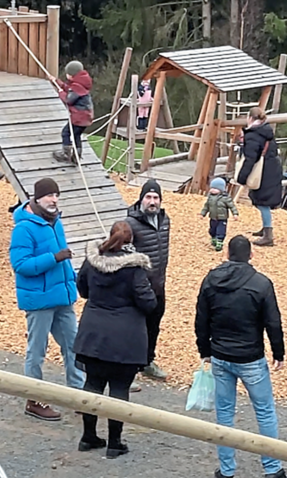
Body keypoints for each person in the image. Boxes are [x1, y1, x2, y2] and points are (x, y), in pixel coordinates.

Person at [195, 235, 287, 478]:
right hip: (250, 356)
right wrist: (279, 352)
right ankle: (272, 468)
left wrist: (204, 350)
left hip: (221, 354)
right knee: (265, 411)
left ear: (227, 254)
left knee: (224, 413)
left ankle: (227, 470)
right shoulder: (261, 283)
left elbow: (201, 319)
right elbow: (273, 322)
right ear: (251, 255)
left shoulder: (211, 280)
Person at [74, 221, 157, 457]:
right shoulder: (134, 268)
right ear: (131, 241)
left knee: (92, 385)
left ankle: (88, 436)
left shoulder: (92, 261)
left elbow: (83, 290)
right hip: (125, 337)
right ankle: (114, 443)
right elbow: (148, 302)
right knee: (119, 389)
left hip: (93, 332)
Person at [9, 178, 84, 421]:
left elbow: (64, 261)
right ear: (37, 198)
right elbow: (20, 265)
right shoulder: (23, 228)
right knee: (37, 350)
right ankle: (34, 399)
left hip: (62, 297)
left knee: (74, 346)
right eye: (49, 195)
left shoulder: (55, 222)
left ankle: (79, 393)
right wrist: (55, 258)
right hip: (39, 300)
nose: (54, 200)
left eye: (56, 195)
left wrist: (75, 278)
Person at [126, 179, 171, 382]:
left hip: (159, 285)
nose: (152, 202)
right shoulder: (130, 223)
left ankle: (147, 362)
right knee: (134, 328)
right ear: (141, 199)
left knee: (154, 326)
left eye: (156, 197)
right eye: (148, 197)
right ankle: (128, 368)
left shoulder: (165, 220)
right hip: (139, 287)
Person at [237, 107, 282, 247]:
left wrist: (242, 177)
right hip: (271, 169)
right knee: (261, 200)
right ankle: (265, 228)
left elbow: (251, 158)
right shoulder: (266, 131)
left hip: (264, 173)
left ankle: (268, 235)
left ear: (250, 118)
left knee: (263, 202)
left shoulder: (254, 135)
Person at [51, 61, 94, 164]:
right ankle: (76, 156)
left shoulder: (77, 87)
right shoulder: (81, 83)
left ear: (72, 74)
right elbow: (69, 88)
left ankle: (66, 154)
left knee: (66, 133)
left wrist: (60, 93)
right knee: (76, 136)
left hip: (79, 117)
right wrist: (56, 82)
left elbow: (68, 100)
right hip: (86, 116)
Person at [200, 177, 239, 251]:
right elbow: (207, 206)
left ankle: (219, 242)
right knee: (212, 230)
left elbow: (232, 206)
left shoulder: (225, 198)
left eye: (215, 188)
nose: (212, 190)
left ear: (221, 189)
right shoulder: (210, 197)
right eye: (212, 188)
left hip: (222, 218)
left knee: (221, 230)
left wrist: (235, 214)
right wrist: (203, 214)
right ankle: (213, 237)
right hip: (213, 217)